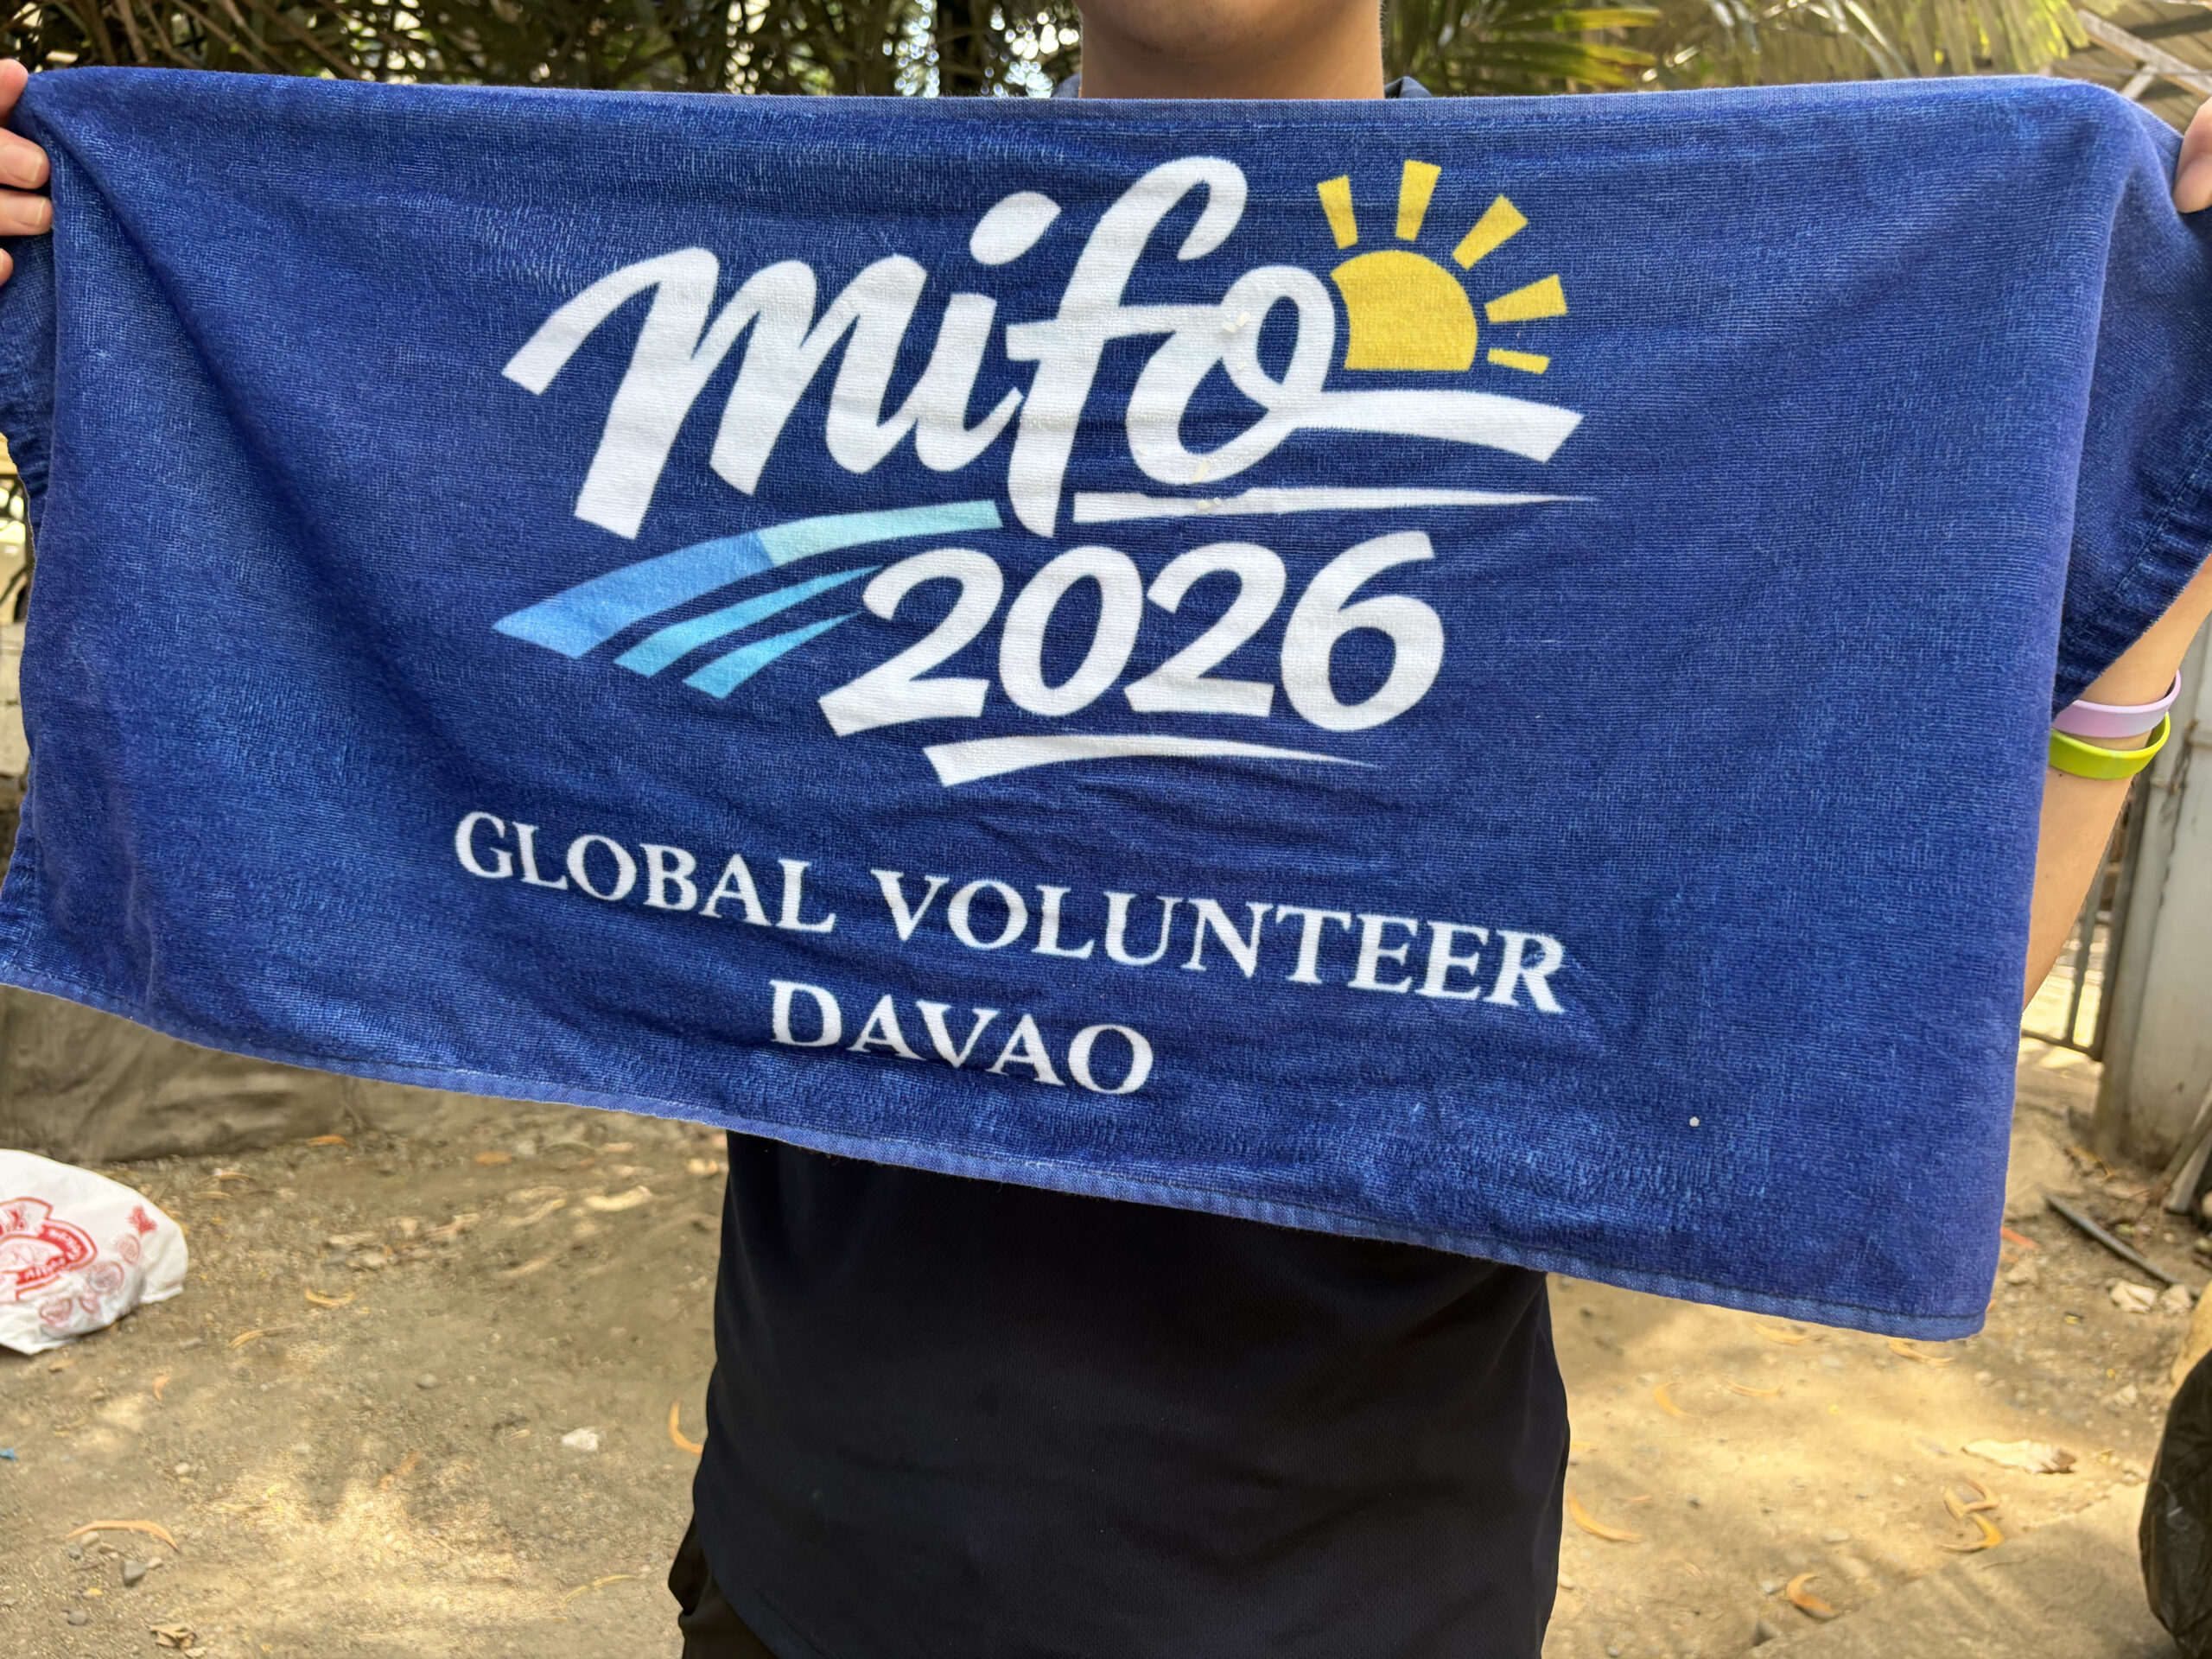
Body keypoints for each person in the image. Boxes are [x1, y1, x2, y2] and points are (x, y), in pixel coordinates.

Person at [3, 4, 2211, 1652]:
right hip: (796, 1569)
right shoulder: (793, 279)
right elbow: (371, 537)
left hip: (1360, 1611)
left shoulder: (1684, 347)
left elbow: (1883, 1012)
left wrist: (2166, 537)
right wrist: (66, 269)